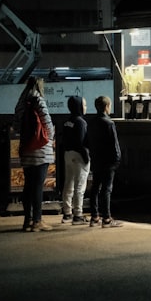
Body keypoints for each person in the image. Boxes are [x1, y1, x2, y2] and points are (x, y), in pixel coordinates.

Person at [16, 76, 55, 232]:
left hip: (26, 148)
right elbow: (46, 121)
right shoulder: (38, 99)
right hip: (40, 148)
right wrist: (50, 138)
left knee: (28, 185)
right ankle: (37, 221)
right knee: (38, 186)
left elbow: (16, 124)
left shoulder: (21, 101)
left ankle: (27, 221)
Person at [86, 95, 123, 228]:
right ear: (107, 107)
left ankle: (94, 216)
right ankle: (106, 218)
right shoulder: (109, 123)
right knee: (106, 189)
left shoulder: (91, 122)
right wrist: (117, 159)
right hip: (108, 160)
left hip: (96, 159)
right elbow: (114, 143)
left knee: (95, 187)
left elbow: (87, 141)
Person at [58, 95, 90, 225]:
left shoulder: (67, 122)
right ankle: (78, 215)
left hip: (68, 155)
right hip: (78, 156)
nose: (86, 107)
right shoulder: (81, 122)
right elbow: (81, 142)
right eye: (84, 105)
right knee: (80, 185)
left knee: (68, 184)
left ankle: (67, 213)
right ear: (79, 107)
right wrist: (86, 157)